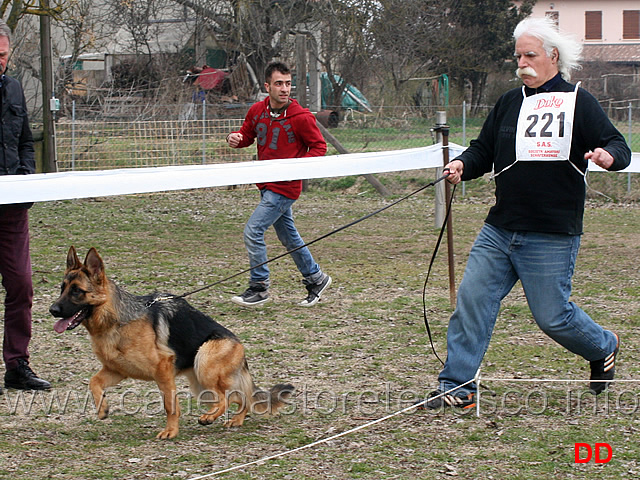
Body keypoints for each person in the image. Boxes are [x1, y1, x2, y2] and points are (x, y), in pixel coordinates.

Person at [425, 17, 631, 409]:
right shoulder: (508, 102)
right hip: (501, 227)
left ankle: (603, 344)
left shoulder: (578, 101)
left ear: (552, 56)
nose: (521, 62)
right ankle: (458, 387)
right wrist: (464, 165)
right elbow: (483, 148)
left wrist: (608, 157)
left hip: (551, 232)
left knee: (553, 317)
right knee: (472, 299)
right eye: (518, 55)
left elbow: (616, 144)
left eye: (530, 54)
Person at [226, 61, 331, 307]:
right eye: (279, 84)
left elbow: (319, 147)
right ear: (267, 86)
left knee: (253, 230)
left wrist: (295, 167)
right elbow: (248, 136)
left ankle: (259, 287)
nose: (284, 89)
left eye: (288, 84)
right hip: (266, 185)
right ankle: (315, 277)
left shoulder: (302, 117)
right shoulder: (257, 111)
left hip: (285, 188)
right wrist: (235, 138)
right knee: (289, 236)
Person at [0, 20, 50, 393]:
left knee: (21, 285)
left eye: (2, 55)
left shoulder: (14, 88)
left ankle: (17, 365)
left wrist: (26, 179)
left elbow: (25, 142)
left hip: (13, 207)